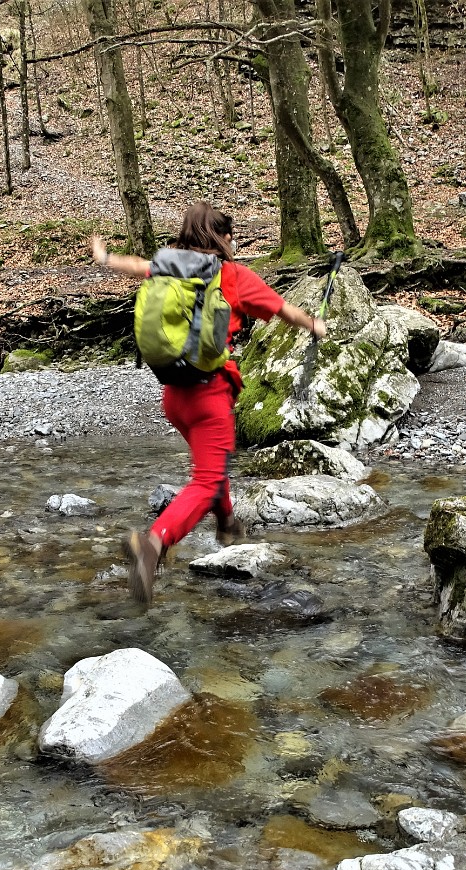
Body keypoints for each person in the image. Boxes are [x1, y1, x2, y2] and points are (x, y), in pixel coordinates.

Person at [91, 202, 326, 605]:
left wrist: (105, 256)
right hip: (209, 396)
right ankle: (153, 545)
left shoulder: (168, 266)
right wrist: (314, 324)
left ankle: (228, 524)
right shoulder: (231, 276)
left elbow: (133, 266)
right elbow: (283, 309)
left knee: (212, 466)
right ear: (224, 237)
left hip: (174, 395)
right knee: (204, 480)